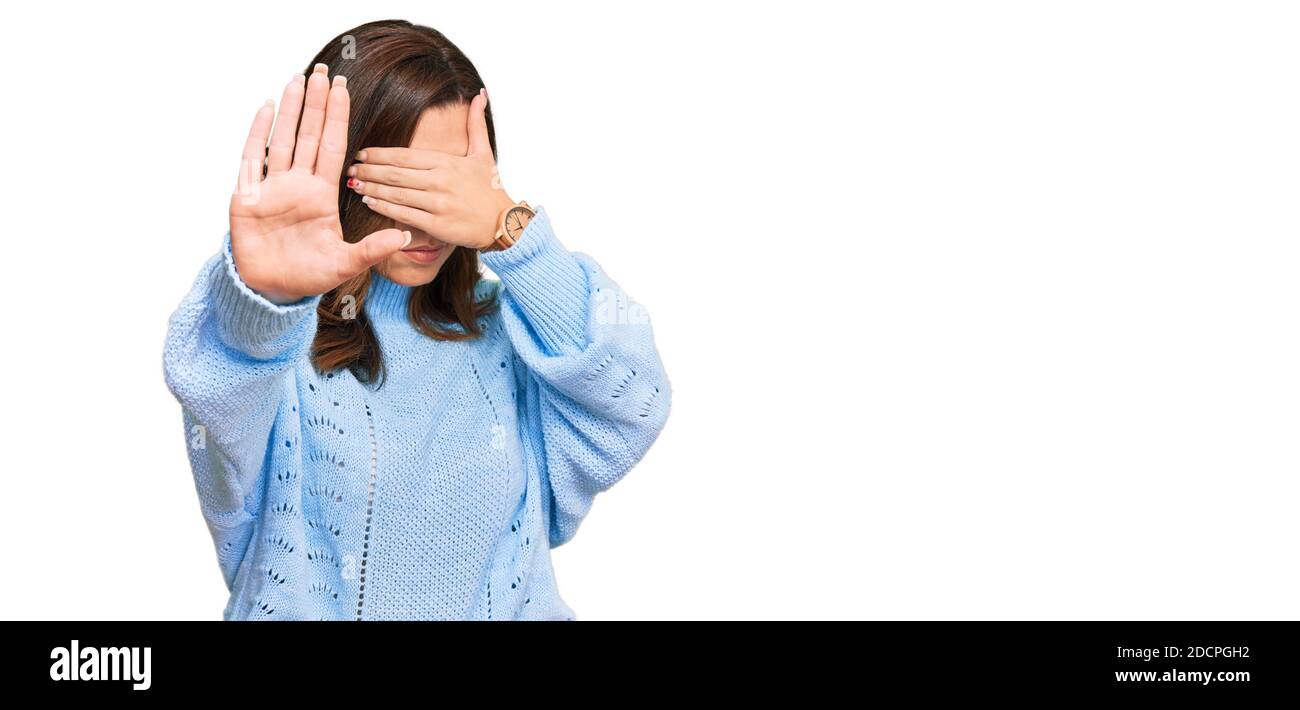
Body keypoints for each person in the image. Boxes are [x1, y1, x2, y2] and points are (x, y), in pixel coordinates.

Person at [162, 19, 671, 620]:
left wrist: (514, 234)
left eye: (447, 186)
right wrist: (261, 299)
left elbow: (635, 403)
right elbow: (210, 389)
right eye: (399, 182)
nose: (428, 222)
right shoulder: (275, 345)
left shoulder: (516, 339)